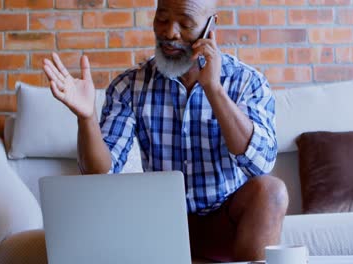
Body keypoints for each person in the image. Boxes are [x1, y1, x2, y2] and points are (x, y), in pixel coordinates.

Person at [40, 0, 288, 262]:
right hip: (158, 224)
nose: (170, 32)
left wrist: (214, 90)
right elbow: (99, 174)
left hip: (225, 225)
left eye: (186, 23)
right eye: (162, 18)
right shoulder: (130, 86)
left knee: (271, 191)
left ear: (210, 25)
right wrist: (86, 117)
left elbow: (260, 165)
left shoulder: (247, 82)